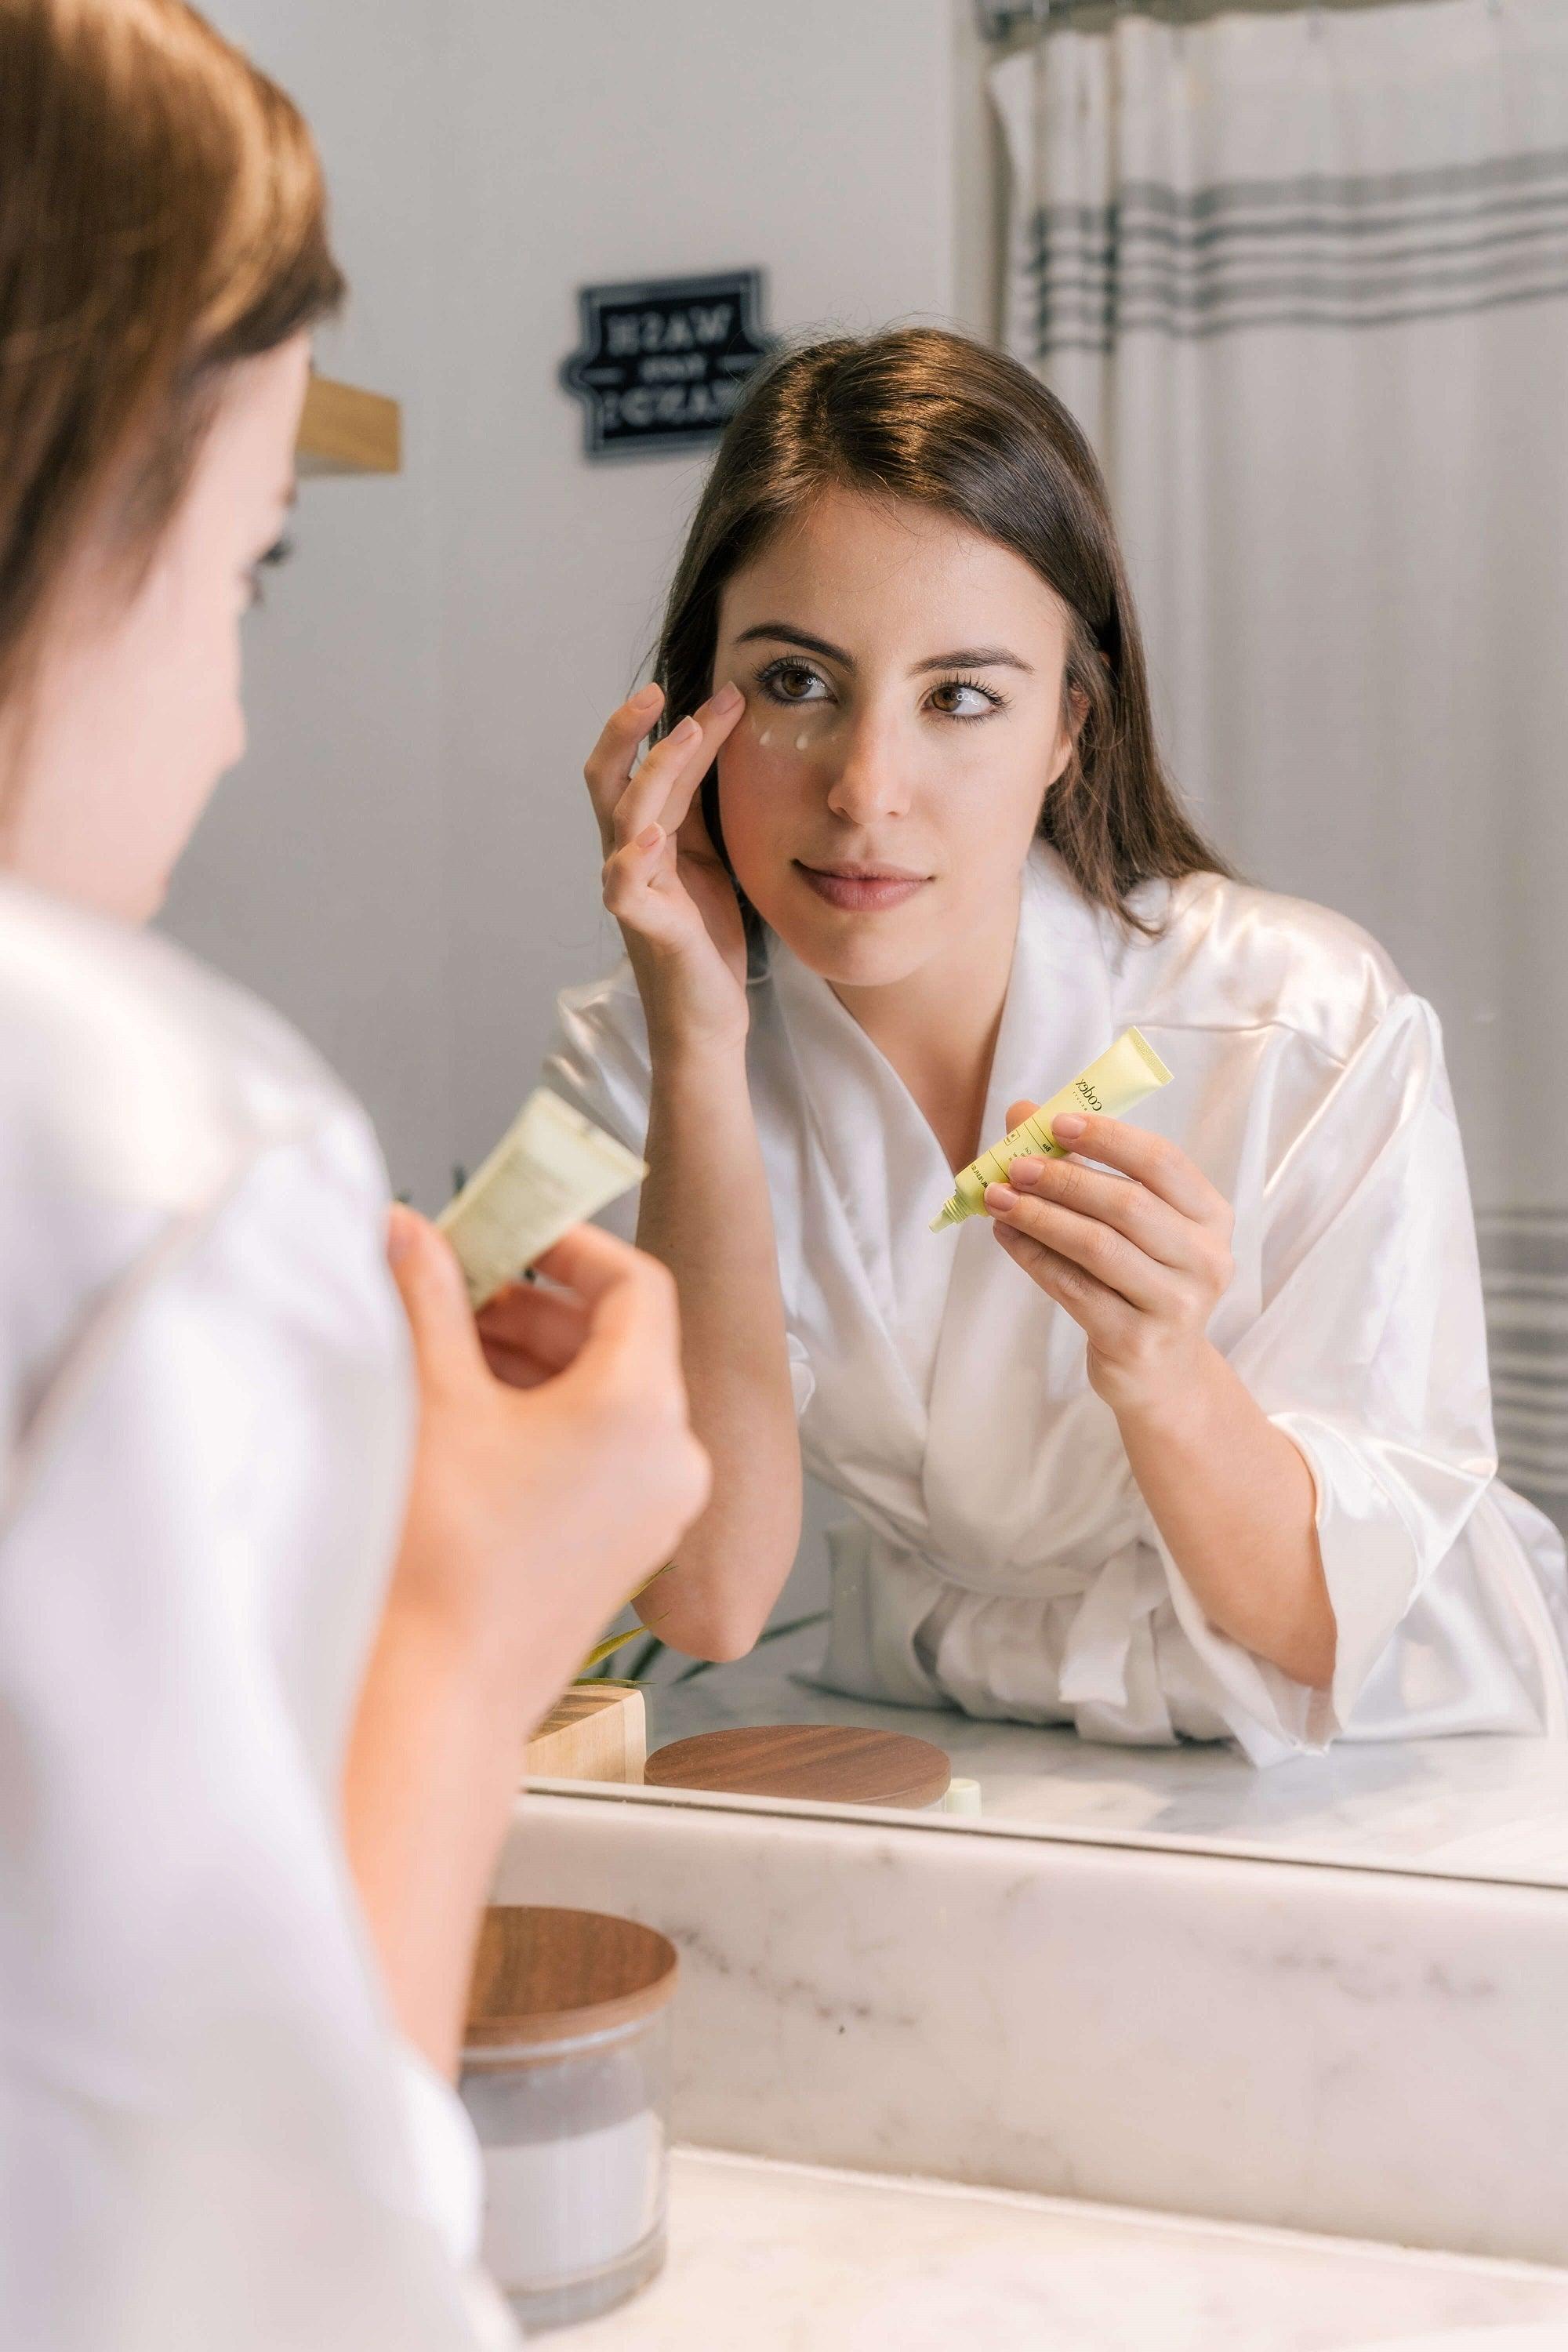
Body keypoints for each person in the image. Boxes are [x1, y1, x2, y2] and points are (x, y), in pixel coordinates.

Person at [0, 6, 706, 2348]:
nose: (226, 713)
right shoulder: (149, 1148)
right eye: (252, 573)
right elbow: (249, 2287)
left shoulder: (1283, 1014)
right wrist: (470, 1620)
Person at [550, 326, 1568, 1768]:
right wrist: (702, 1048)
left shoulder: (1301, 1019)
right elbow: (708, 1599)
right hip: (959, 1728)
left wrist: (1162, 1365)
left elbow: (1317, 1623)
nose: (866, 791)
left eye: (961, 696)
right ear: (688, 714)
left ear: (1066, 731)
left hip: (1395, 1748)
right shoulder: (642, 1061)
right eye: (794, 684)